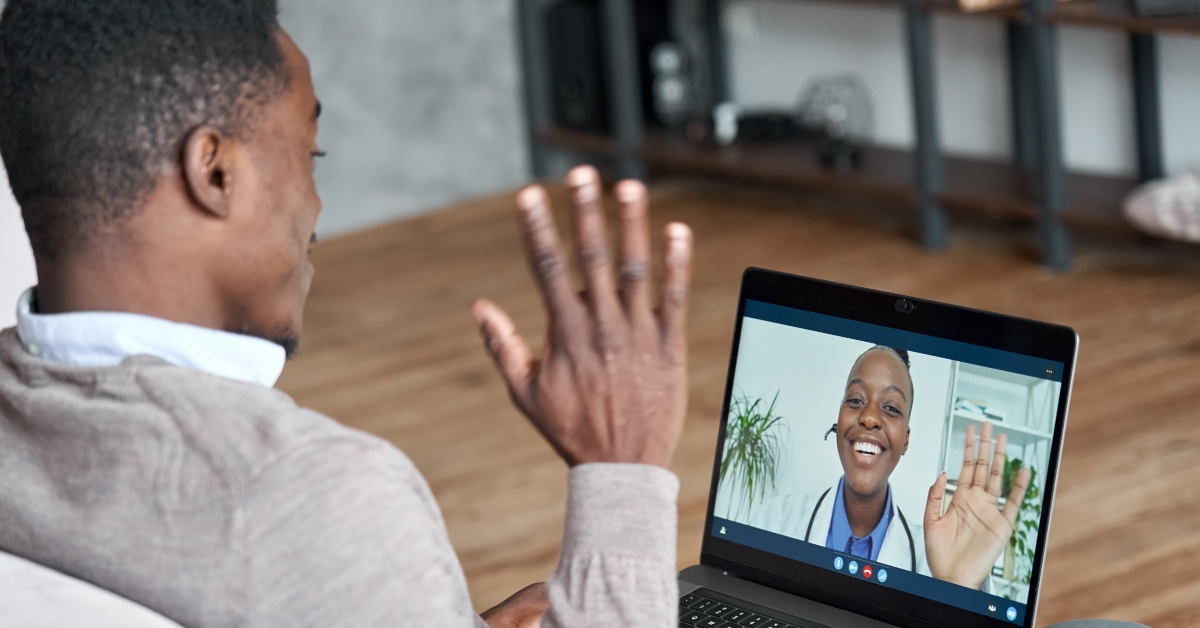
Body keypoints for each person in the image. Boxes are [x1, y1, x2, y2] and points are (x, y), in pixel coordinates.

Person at [0, 1, 692, 627]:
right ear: (214, 173)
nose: (316, 211)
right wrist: (622, 464)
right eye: (310, 155)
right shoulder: (310, 497)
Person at [751, 345, 1032, 593]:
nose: (870, 417)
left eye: (891, 408)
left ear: (905, 440)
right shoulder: (773, 521)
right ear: (839, 418)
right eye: (856, 400)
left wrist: (958, 590)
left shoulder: (935, 560)